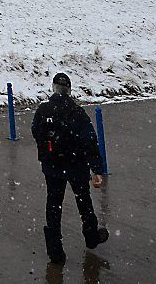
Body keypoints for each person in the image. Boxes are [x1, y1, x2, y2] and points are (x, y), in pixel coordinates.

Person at [31, 72, 109, 265]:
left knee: (53, 205)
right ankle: (91, 237)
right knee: (84, 202)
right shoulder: (77, 112)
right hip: (76, 166)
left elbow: (36, 132)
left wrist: (48, 152)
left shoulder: (43, 110)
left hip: (52, 167)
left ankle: (55, 250)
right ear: (69, 90)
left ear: (53, 88)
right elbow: (90, 141)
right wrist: (96, 169)